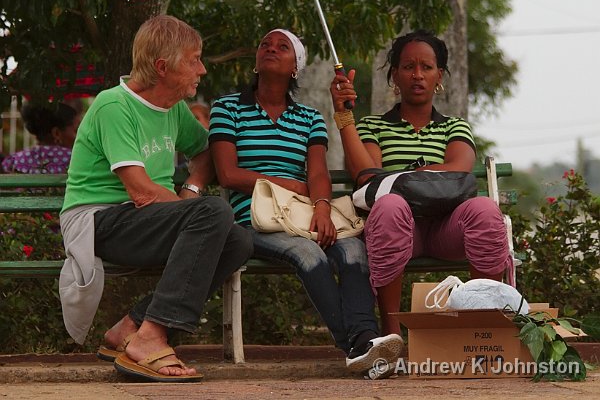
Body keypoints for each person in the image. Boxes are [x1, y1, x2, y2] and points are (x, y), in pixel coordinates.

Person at [59, 15, 253, 383]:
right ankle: (150, 338)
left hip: (142, 220)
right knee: (214, 214)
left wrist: (191, 190)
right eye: (193, 60)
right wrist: (196, 210)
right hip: (97, 220)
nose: (202, 69)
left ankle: (132, 327)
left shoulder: (174, 108)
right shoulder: (114, 105)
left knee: (239, 241)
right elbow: (141, 190)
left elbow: (205, 153)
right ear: (163, 67)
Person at [209, 28, 403, 376]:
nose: (270, 48)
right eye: (264, 44)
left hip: (301, 214)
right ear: (256, 60)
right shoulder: (227, 109)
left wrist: (323, 208)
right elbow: (227, 174)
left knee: (352, 250)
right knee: (308, 252)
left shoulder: (309, 118)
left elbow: (317, 176)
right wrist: (284, 183)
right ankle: (359, 344)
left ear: (295, 67)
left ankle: (365, 340)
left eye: (282, 47)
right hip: (251, 218)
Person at [330, 30, 511, 337]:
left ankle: (483, 329)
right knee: (389, 205)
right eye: (408, 67)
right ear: (394, 76)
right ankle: (391, 332)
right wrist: (343, 114)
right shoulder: (373, 125)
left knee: (484, 208)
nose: (417, 75)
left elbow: (459, 168)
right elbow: (365, 173)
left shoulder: (455, 126)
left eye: (426, 67)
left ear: (439, 75)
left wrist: (398, 177)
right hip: (399, 228)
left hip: (446, 228)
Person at [1, 101, 82, 174]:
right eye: (76, 131)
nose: (80, 136)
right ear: (56, 133)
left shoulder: (13, 161)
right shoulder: (76, 160)